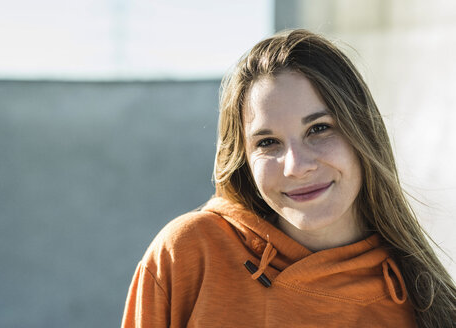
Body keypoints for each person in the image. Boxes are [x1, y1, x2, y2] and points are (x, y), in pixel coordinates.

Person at [121, 29, 455, 327]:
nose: (295, 166)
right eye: (268, 143)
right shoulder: (189, 254)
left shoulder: (426, 307)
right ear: (244, 160)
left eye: (319, 129)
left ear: (362, 133)